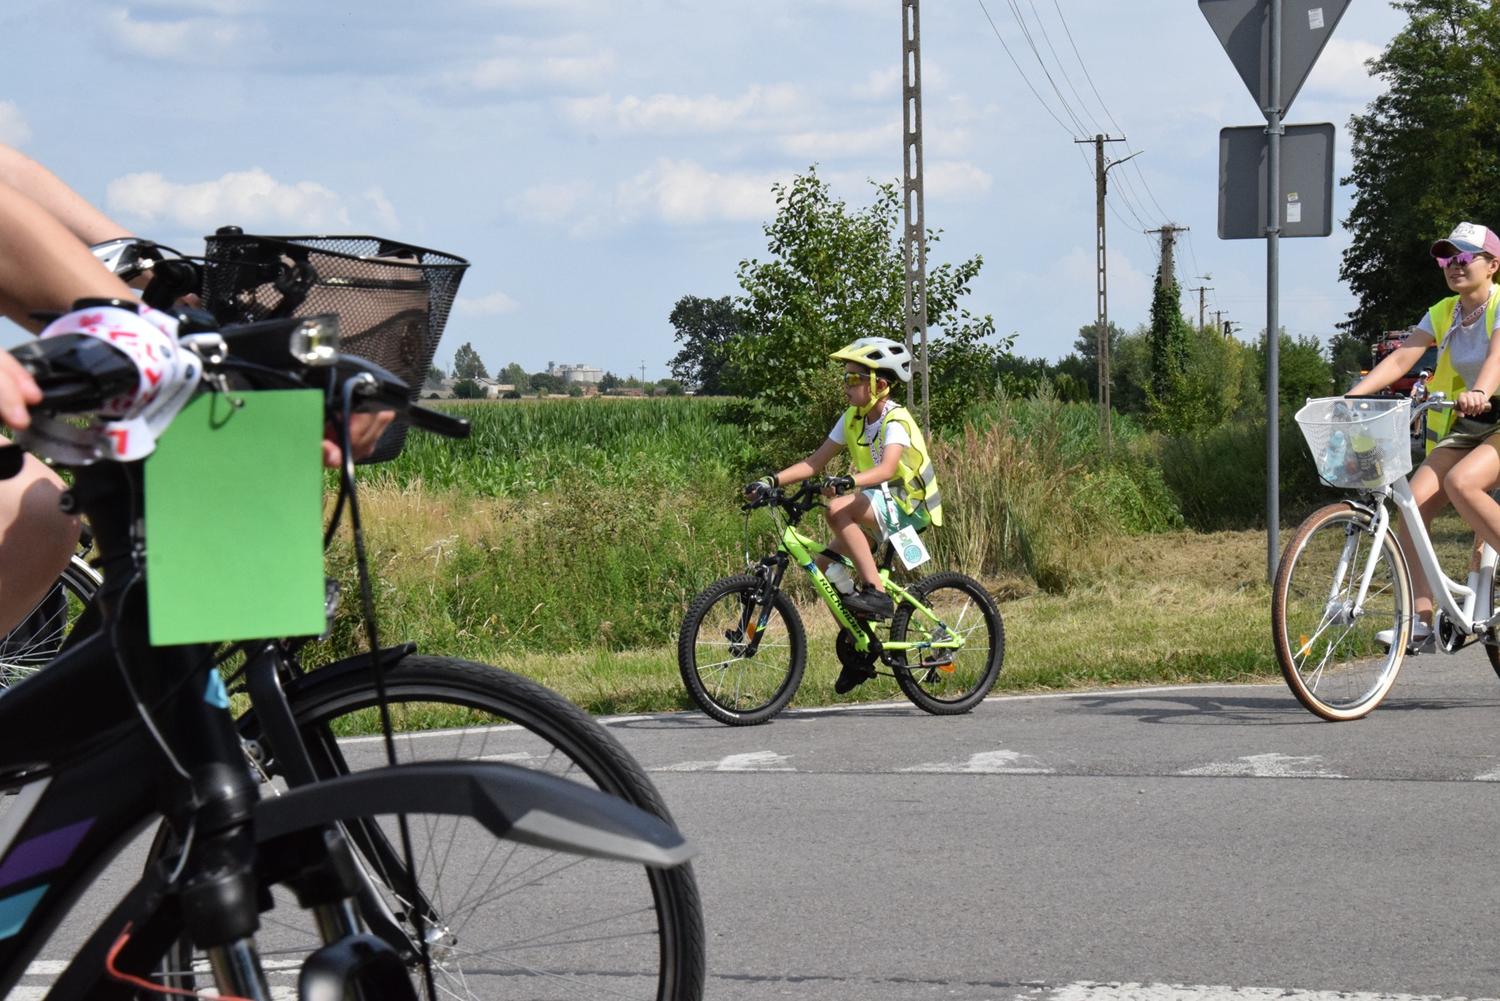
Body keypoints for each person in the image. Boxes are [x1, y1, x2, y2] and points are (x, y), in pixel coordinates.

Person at [744, 336, 943, 692]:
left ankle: (876, 592)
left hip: (908, 504)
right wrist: (770, 480)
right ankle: (859, 646)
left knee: (837, 510)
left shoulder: (895, 419)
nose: (846, 386)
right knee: (822, 565)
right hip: (878, 504)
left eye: (854, 379)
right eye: (846, 378)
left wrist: (849, 481)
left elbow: (888, 469)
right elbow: (814, 462)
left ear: (879, 385)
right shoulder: (852, 418)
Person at [1348, 221, 1500, 650]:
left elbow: (1497, 357)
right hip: (1471, 421)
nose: (1454, 265)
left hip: (1491, 409)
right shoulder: (1444, 312)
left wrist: (1480, 391)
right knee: (1410, 505)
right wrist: (1351, 397)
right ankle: (1421, 621)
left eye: (1465, 257)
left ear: (1492, 265)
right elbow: (1402, 360)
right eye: (1446, 258)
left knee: (1462, 482)